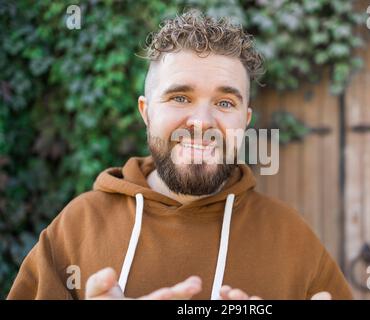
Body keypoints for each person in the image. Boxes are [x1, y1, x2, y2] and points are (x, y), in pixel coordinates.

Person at [8, 10, 352, 300]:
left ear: (245, 120)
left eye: (224, 103)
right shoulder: (76, 227)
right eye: (180, 98)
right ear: (146, 112)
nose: (201, 123)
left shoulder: (293, 240)